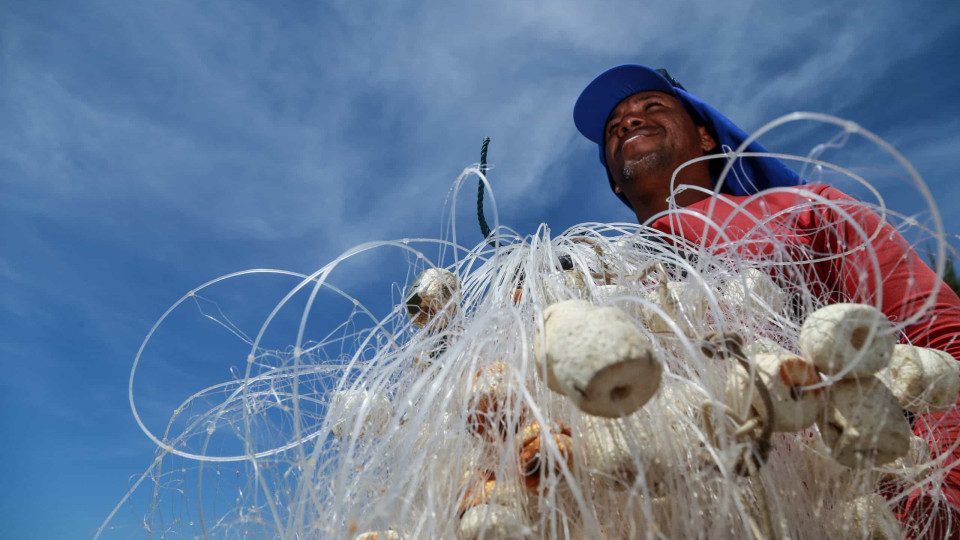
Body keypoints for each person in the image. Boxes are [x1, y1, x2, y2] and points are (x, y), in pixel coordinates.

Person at [574, 64, 960, 538]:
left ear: (706, 137)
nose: (628, 122)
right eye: (614, 129)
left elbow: (941, 343)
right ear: (615, 183)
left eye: (651, 107)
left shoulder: (807, 210)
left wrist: (933, 509)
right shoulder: (594, 286)